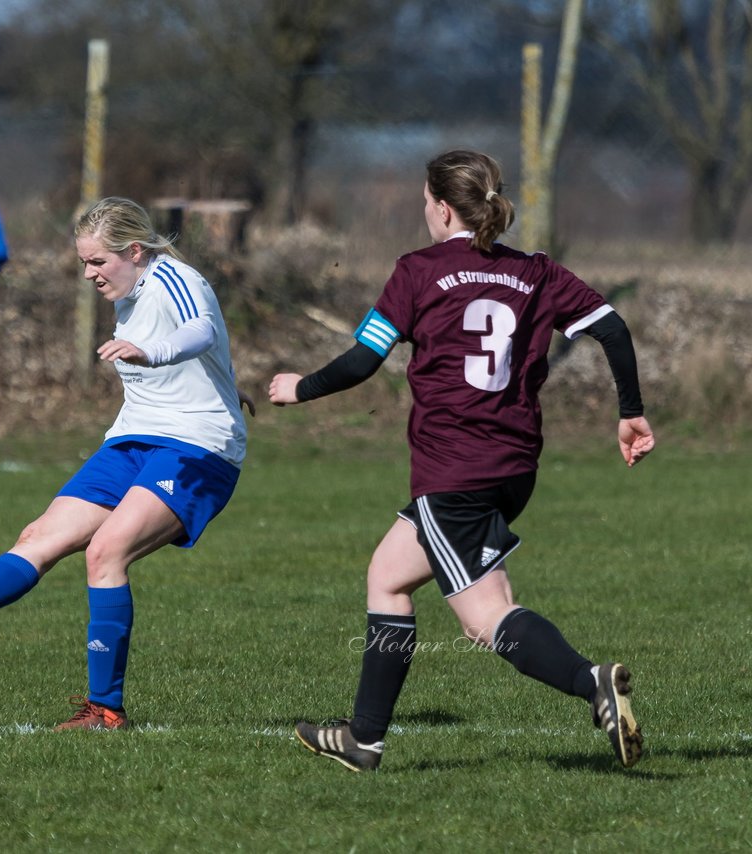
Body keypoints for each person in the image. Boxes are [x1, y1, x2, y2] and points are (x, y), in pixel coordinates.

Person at [268, 149, 655, 771]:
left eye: (426, 201)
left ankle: (593, 683)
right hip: (513, 466)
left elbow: (364, 360)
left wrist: (299, 388)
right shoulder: (535, 271)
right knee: (388, 575)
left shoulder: (417, 271)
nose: (424, 211)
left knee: (485, 617)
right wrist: (629, 411)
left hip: (455, 470)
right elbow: (612, 329)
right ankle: (363, 739)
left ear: (443, 207)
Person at [0, 196, 252, 730]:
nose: (89, 274)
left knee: (106, 552)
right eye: (83, 263)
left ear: (134, 251)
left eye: (97, 262)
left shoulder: (173, 279)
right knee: (36, 539)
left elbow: (201, 331)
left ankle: (105, 710)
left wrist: (151, 353)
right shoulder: (128, 289)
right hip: (133, 439)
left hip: (198, 448)